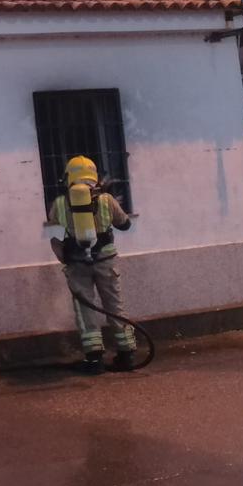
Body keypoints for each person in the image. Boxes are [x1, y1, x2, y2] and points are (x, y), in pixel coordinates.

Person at [47, 155, 137, 374]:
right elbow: (125, 224)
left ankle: (94, 359)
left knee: (84, 307)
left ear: (69, 176)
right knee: (114, 305)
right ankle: (126, 355)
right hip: (106, 261)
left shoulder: (60, 202)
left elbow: (53, 221)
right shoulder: (107, 200)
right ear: (94, 175)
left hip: (77, 263)